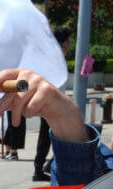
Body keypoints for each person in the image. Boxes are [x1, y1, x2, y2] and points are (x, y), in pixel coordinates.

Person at [33, 28, 71, 181]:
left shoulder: (55, 59)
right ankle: (42, 167)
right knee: (53, 136)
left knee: (53, 136)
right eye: (68, 41)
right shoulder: (53, 60)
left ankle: (45, 166)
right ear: (62, 43)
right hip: (50, 104)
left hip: (53, 104)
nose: (70, 44)